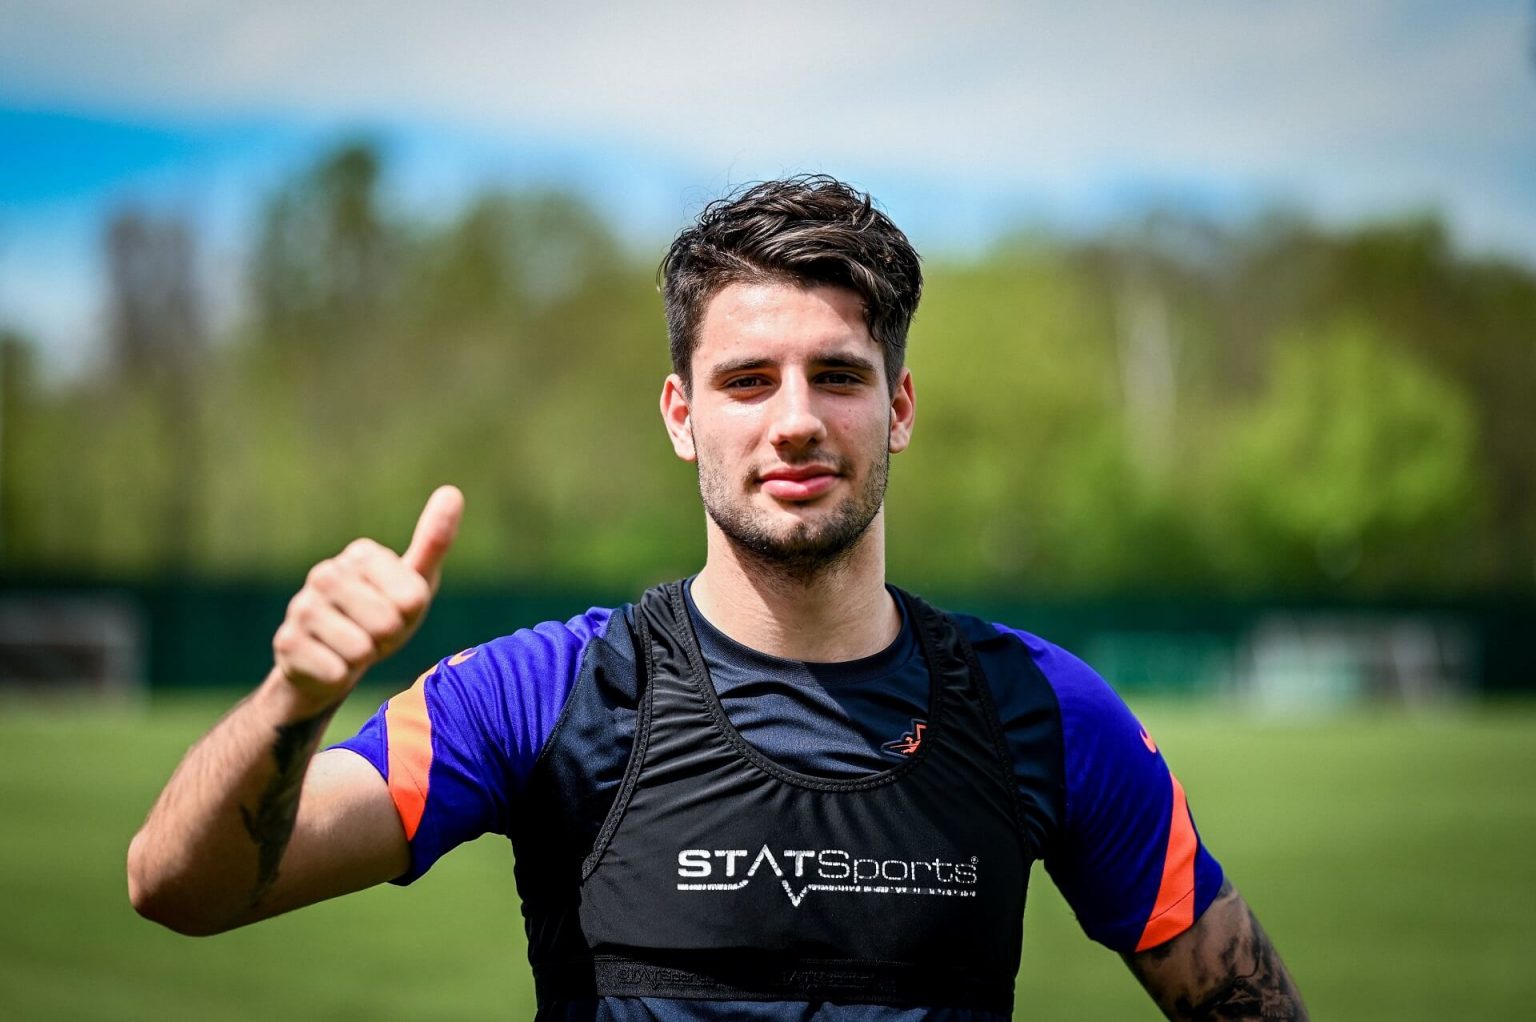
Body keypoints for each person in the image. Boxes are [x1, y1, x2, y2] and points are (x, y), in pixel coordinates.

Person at [128, 175, 1308, 1021]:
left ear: (898, 408)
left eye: (837, 375)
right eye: (747, 379)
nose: (795, 418)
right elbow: (181, 886)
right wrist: (294, 699)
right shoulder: (549, 691)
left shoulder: (1043, 709)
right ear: (682, 415)